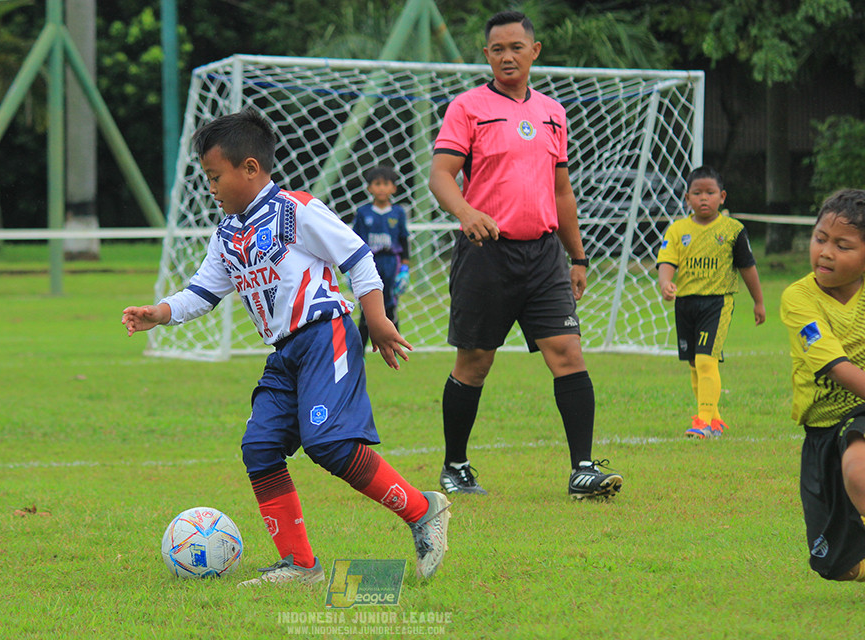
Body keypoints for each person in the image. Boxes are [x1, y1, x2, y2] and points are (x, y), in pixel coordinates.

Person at [122, 109, 451, 585]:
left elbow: (357, 256)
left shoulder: (295, 210)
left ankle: (423, 510)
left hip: (326, 336)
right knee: (259, 446)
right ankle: (300, 566)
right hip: (284, 355)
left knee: (329, 445)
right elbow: (203, 292)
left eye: (215, 177)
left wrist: (376, 320)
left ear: (251, 169)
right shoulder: (227, 234)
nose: (210, 189)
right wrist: (161, 312)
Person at [427, 10, 623, 500]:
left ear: (534, 52)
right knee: (474, 362)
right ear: (487, 55)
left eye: (516, 47)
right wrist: (467, 212)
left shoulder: (552, 112)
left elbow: (562, 192)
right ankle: (455, 465)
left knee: (569, 355)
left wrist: (577, 257)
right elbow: (440, 176)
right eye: (497, 49)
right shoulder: (468, 107)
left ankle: (583, 468)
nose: (507, 56)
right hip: (485, 254)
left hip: (543, 257)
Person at [779, 188, 865, 583]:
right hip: (821, 432)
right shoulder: (799, 297)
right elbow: (835, 366)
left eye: (842, 245)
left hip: (859, 415)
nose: (826, 252)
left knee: (859, 468)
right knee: (837, 567)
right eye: (820, 239)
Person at [656, 165, 766, 438]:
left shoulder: (732, 230)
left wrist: (759, 302)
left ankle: (703, 421)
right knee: (695, 363)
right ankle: (714, 420)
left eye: (710, 192)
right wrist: (665, 283)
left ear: (722, 196)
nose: (703, 198)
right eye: (697, 193)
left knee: (706, 361)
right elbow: (667, 261)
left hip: (717, 303)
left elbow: (747, 267)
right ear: (687, 198)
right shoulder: (677, 229)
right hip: (685, 304)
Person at [351, 164, 411, 349]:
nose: (382, 188)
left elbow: (404, 240)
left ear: (393, 187)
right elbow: (355, 241)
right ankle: (360, 351)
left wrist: (404, 269)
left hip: (391, 263)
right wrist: (351, 270)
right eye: (377, 184)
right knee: (367, 307)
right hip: (370, 263)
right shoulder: (363, 213)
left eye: (386, 184)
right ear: (369, 188)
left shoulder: (398, 213)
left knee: (391, 305)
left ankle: (396, 346)